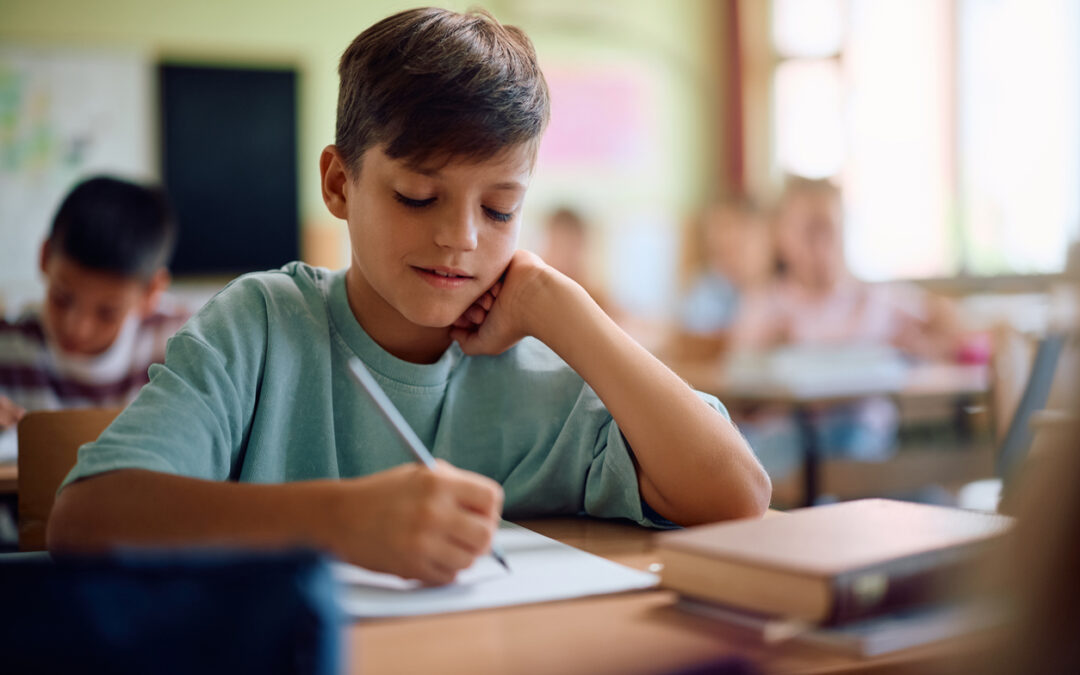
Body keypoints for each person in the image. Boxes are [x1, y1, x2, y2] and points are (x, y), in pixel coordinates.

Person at [48, 8, 770, 586]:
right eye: (418, 195)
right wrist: (337, 520)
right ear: (338, 184)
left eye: (499, 210)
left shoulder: (546, 359)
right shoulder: (263, 326)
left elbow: (737, 493)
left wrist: (559, 302)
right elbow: (86, 515)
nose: (461, 237)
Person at [730, 177, 960, 485]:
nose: (823, 245)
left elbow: (948, 321)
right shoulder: (768, 304)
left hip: (860, 436)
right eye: (810, 232)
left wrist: (923, 348)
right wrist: (766, 353)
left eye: (832, 231)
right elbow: (737, 382)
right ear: (782, 238)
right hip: (786, 437)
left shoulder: (873, 298)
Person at [0, 176, 188, 460]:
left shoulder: (181, 347)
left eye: (107, 313)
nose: (77, 328)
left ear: (151, 292)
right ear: (44, 256)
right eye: (62, 298)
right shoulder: (8, 347)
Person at [671, 199, 772, 360]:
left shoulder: (780, 291)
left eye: (740, 248)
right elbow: (694, 341)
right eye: (722, 252)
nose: (732, 261)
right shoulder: (705, 290)